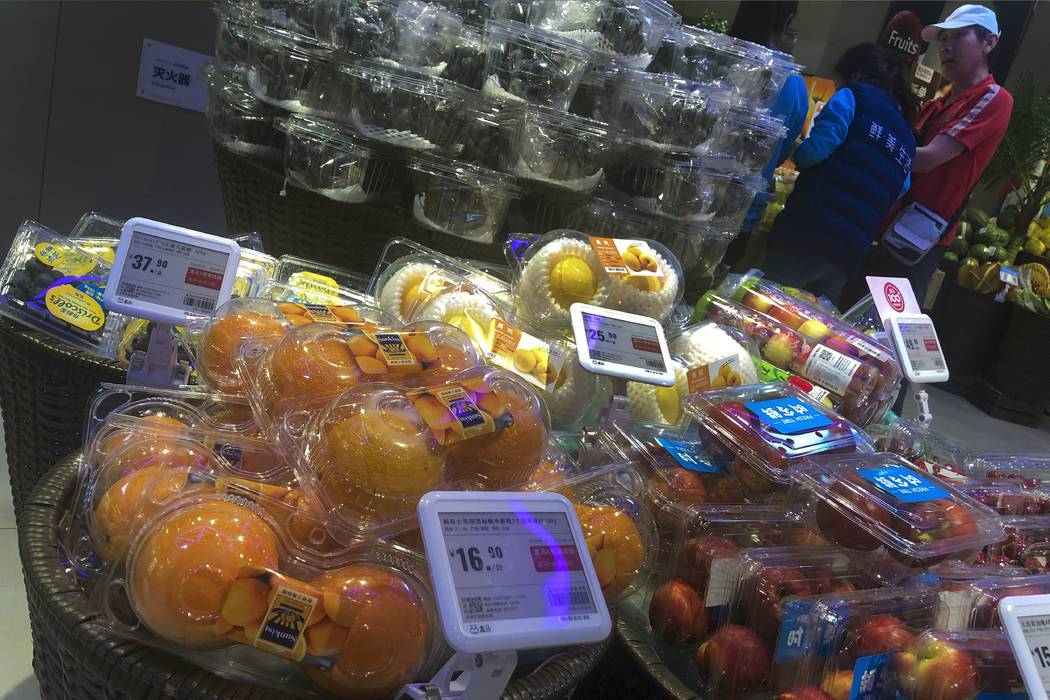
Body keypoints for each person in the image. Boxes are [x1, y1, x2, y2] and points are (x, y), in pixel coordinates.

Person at [841, 4, 1013, 307]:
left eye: (959, 37)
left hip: (917, 239)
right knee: (848, 316)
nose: (946, 47)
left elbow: (927, 158)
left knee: (887, 331)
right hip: (884, 225)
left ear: (989, 43)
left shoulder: (994, 98)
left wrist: (864, 142)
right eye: (944, 40)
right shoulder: (939, 102)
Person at [760, 43, 918, 301]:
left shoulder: (854, 96)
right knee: (809, 326)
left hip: (808, 233)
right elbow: (902, 186)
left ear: (855, 75)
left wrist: (795, 153)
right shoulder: (907, 136)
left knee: (766, 309)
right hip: (849, 255)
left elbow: (817, 151)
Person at [722, 1, 808, 270]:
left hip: (680, 198)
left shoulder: (717, 59)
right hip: (740, 213)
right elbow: (778, 152)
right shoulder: (794, 85)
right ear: (788, 20)